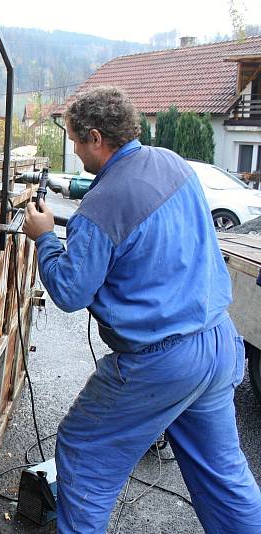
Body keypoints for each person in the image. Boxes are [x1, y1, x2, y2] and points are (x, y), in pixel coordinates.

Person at [23, 86, 261, 533]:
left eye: (76, 141)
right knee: (223, 475)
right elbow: (143, 236)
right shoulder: (171, 163)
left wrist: (44, 238)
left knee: (82, 449)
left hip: (162, 361)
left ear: (96, 137)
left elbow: (71, 292)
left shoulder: (103, 205)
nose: (75, 151)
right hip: (217, 341)